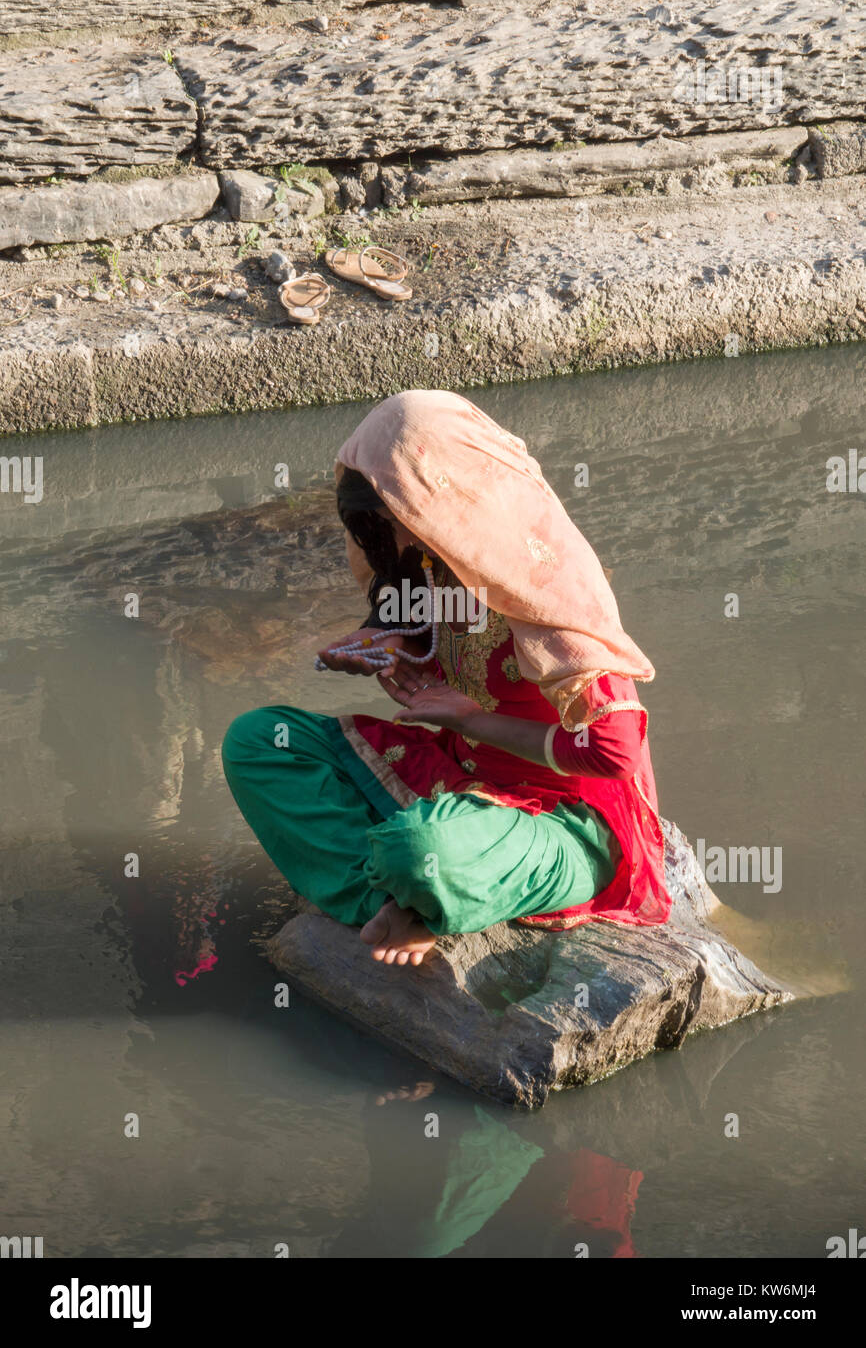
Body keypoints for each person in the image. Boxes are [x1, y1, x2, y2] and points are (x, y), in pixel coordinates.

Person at [222, 389, 669, 967]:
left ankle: (420, 887)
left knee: (419, 846)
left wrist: (475, 720)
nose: (398, 541)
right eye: (384, 523)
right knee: (257, 742)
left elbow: (614, 752)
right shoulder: (431, 570)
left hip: (561, 824)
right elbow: (439, 654)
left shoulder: (550, 585)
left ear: (449, 496)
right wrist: (386, 647)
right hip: (451, 778)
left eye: (401, 517)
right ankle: (401, 900)